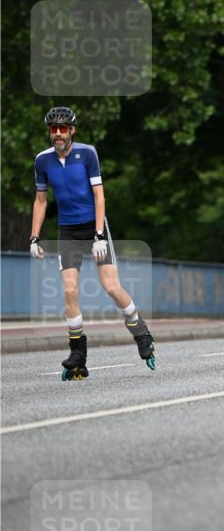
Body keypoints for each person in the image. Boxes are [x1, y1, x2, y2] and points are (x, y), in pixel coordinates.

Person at [30, 106, 155, 379]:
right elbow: (41, 200)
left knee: (111, 287)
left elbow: (100, 196)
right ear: (50, 132)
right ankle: (78, 355)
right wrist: (34, 236)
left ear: (72, 130)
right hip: (68, 231)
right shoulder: (42, 161)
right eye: (54, 129)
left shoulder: (87, 153)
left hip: (93, 224)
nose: (59, 133)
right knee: (70, 292)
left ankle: (140, 331)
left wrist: (99, 234)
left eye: (63, 128)